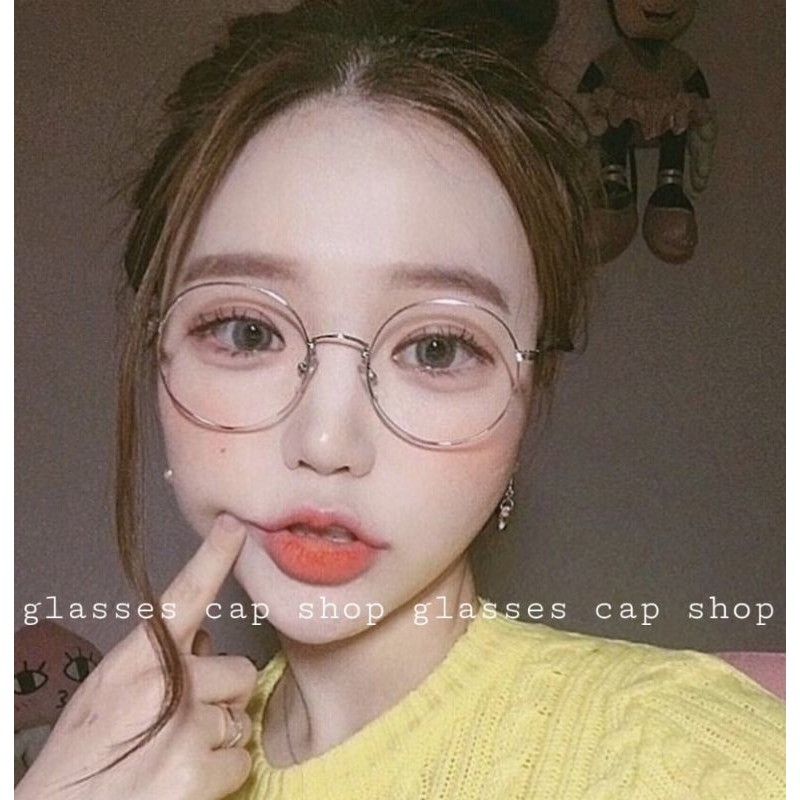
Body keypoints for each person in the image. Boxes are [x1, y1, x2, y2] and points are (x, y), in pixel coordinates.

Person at [15, 1, 785, 798]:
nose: (326, 441)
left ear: (531, 393)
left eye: (436, 348)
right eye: (247, 331)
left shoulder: (677, 758)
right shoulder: (120, 774)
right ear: (158, 350)